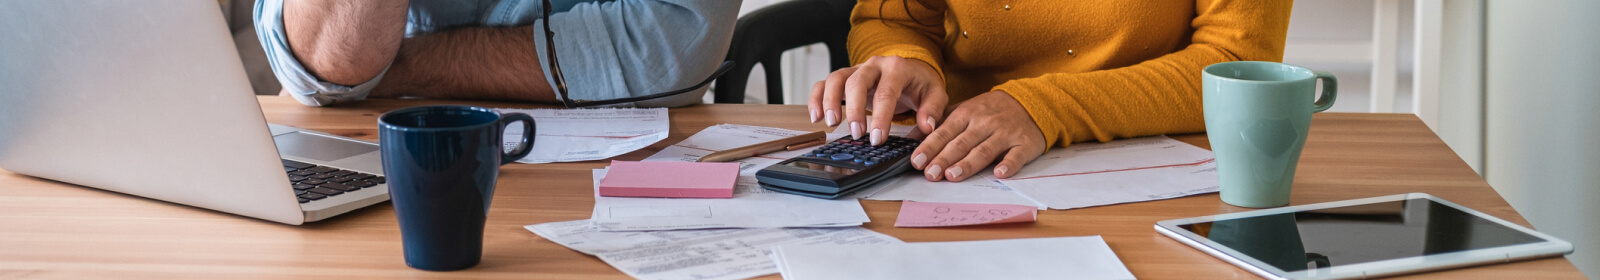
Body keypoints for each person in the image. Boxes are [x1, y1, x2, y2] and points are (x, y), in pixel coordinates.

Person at [809, 0, 1292, 182]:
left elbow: (1235, 64)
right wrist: (907, 57)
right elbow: (891, 17)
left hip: (1152, 177)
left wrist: (1040, 107)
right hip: (950, 161)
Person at [255, 0, 739, 107]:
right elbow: (323, 64)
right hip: (376, 140)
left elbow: (674, 42)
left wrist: (401, 67)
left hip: (600, 170)